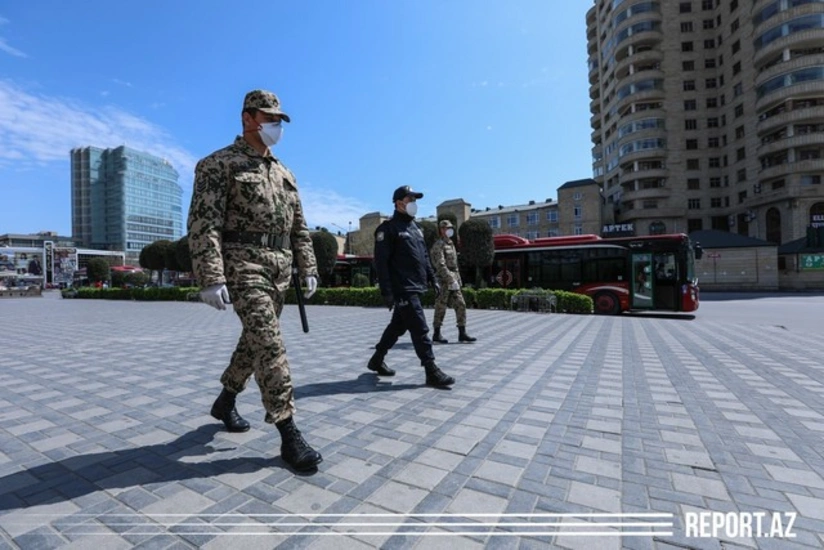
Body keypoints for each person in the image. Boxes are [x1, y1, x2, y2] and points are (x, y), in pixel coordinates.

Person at [187, 89, 322, 472]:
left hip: (280, 269)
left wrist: (307, 266)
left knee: (254, 342)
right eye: (269, 118)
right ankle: (288, 431)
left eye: (279, 120)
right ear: (248, 118)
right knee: (270, 344)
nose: (276, 126)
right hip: (243, 265)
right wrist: (211, 276)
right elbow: (204, 223)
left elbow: (300, 228)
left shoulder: (284, 172)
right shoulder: (218, 164)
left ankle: (226, 399)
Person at [366, 186, 456, 387]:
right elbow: (381, 263)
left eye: (415, 199)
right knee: (419, 327)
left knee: (397, 326)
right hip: (402, 287)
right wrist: (387, 291)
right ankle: (431, 370)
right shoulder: (387, 229)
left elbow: (423, 256)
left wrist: (432, 278)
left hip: (416, 285)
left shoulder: (416, 229)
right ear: (399, 203)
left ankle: (377, 359)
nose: (414, 203)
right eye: (410, 199)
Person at [429, 220, 476, 344]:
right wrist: (450, 279)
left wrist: (457, 280)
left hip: (454, 280)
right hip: (443, 280)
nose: (450, 230)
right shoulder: (439, 245)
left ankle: (462, 333)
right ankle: (436, 334)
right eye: (447, 228)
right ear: (442, 230)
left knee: (461, 304)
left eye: (451, 227)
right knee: (441, 307)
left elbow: (455, 266)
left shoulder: (451, 244)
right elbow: (440, 264)